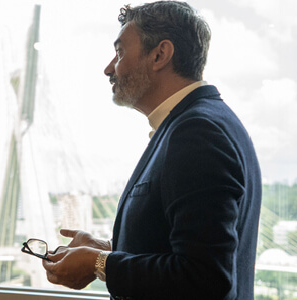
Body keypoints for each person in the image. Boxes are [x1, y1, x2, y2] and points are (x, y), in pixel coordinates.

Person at [42, 2, 262, 299]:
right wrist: (108, 249)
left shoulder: (197, 133)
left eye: (119, 52)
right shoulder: (203, 121)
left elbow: (205, 278)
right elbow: (180, 247)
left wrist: (99, 264)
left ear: (160, 54)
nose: (109, 68)